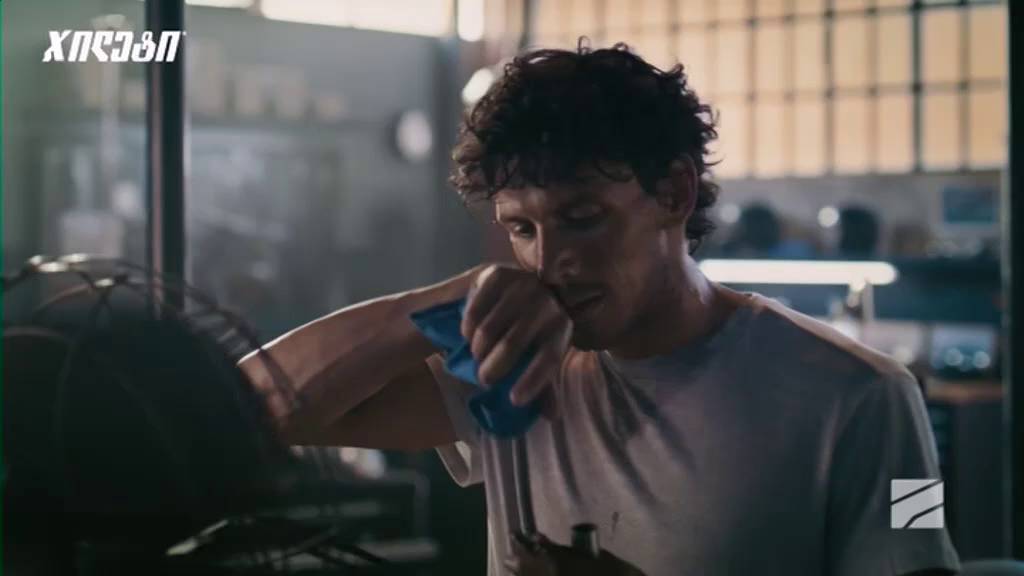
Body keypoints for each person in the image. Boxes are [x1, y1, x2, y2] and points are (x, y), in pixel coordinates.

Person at [240, 43, 961, 576]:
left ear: (674, 194)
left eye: (582, 218)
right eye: (522, 228)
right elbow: (249, 407)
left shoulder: (871, 396)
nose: (550, 261)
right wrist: (447, 301)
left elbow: (922, 557)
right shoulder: (513, 369)